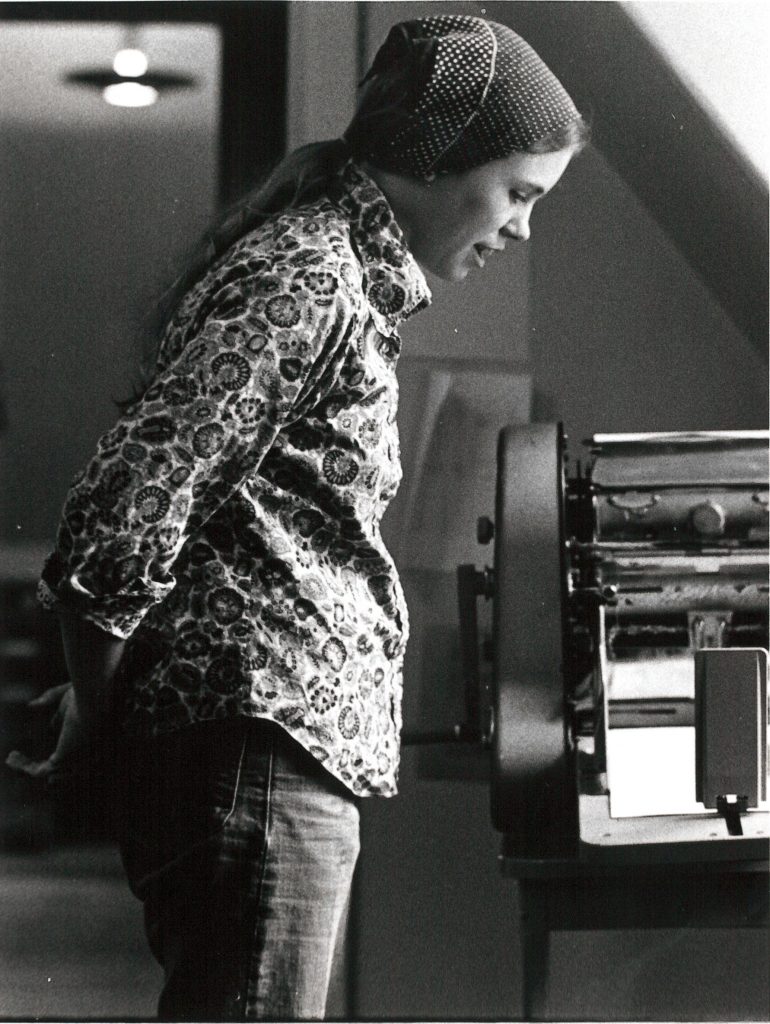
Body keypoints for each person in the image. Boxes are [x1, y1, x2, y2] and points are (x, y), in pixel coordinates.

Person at [7, 14, 588, 1021]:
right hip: (262, 763)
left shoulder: (331, 279)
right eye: (517, 192)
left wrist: (113, 690)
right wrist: (99, 701)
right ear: (436, 160)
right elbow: (125, 504)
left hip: (264, 761)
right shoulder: (309, 279)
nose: (521, 226)